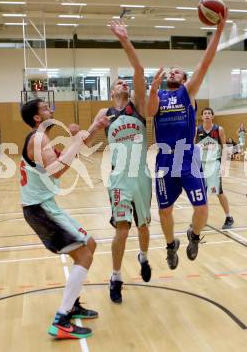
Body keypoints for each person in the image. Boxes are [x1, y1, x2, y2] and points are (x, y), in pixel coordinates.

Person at [20, 98, 109, 339]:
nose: (52, 110)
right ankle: (61, 319)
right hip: (40, 209)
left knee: (89, 245)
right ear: (38, 118)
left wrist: (92, 128)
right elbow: (57, 169)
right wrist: (78, 138)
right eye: (46, 108)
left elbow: (72, 156)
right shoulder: (38, 139)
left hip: (46, 205)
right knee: (84, 254)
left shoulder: (42, 139)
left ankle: (73, 306)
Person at [147, 13, 227, 269]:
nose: (173, 71)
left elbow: (205, 63)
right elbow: (149, 112)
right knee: (164, 211)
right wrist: (151, 89)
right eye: (171, 70)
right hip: (164, 158)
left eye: (178, 71)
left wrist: (219, 30)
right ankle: (171, 246)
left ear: (184, 79)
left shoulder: (187, 92)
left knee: (202, 208)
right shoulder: (159, 94)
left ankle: (193, 235)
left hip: (187, 157)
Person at [97, 20, 152, 304]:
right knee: (122, 227)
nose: (124, 83)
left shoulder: (138, 107)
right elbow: (88, 135)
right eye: (119, 82)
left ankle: (143, 256)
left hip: (141, 175)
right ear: (112, 92)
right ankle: (116, 277)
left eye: (125, 82)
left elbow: (139, 70)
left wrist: (124, 39)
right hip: (119, 177)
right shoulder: (104, 114)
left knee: (143, 228)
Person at [196, 108, 234, 229]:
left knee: (219, 192)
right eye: (205, 113)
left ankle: (229, 217)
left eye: (209, 113)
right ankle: (202, 218)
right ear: (201, 117)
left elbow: (225, 148)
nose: (207, 115)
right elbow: (192, 148)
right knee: (202, 193)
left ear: (212, 116)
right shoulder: (197, 130)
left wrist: (223, 165)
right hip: (201, 164)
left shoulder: (219, 129)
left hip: (214, 164)